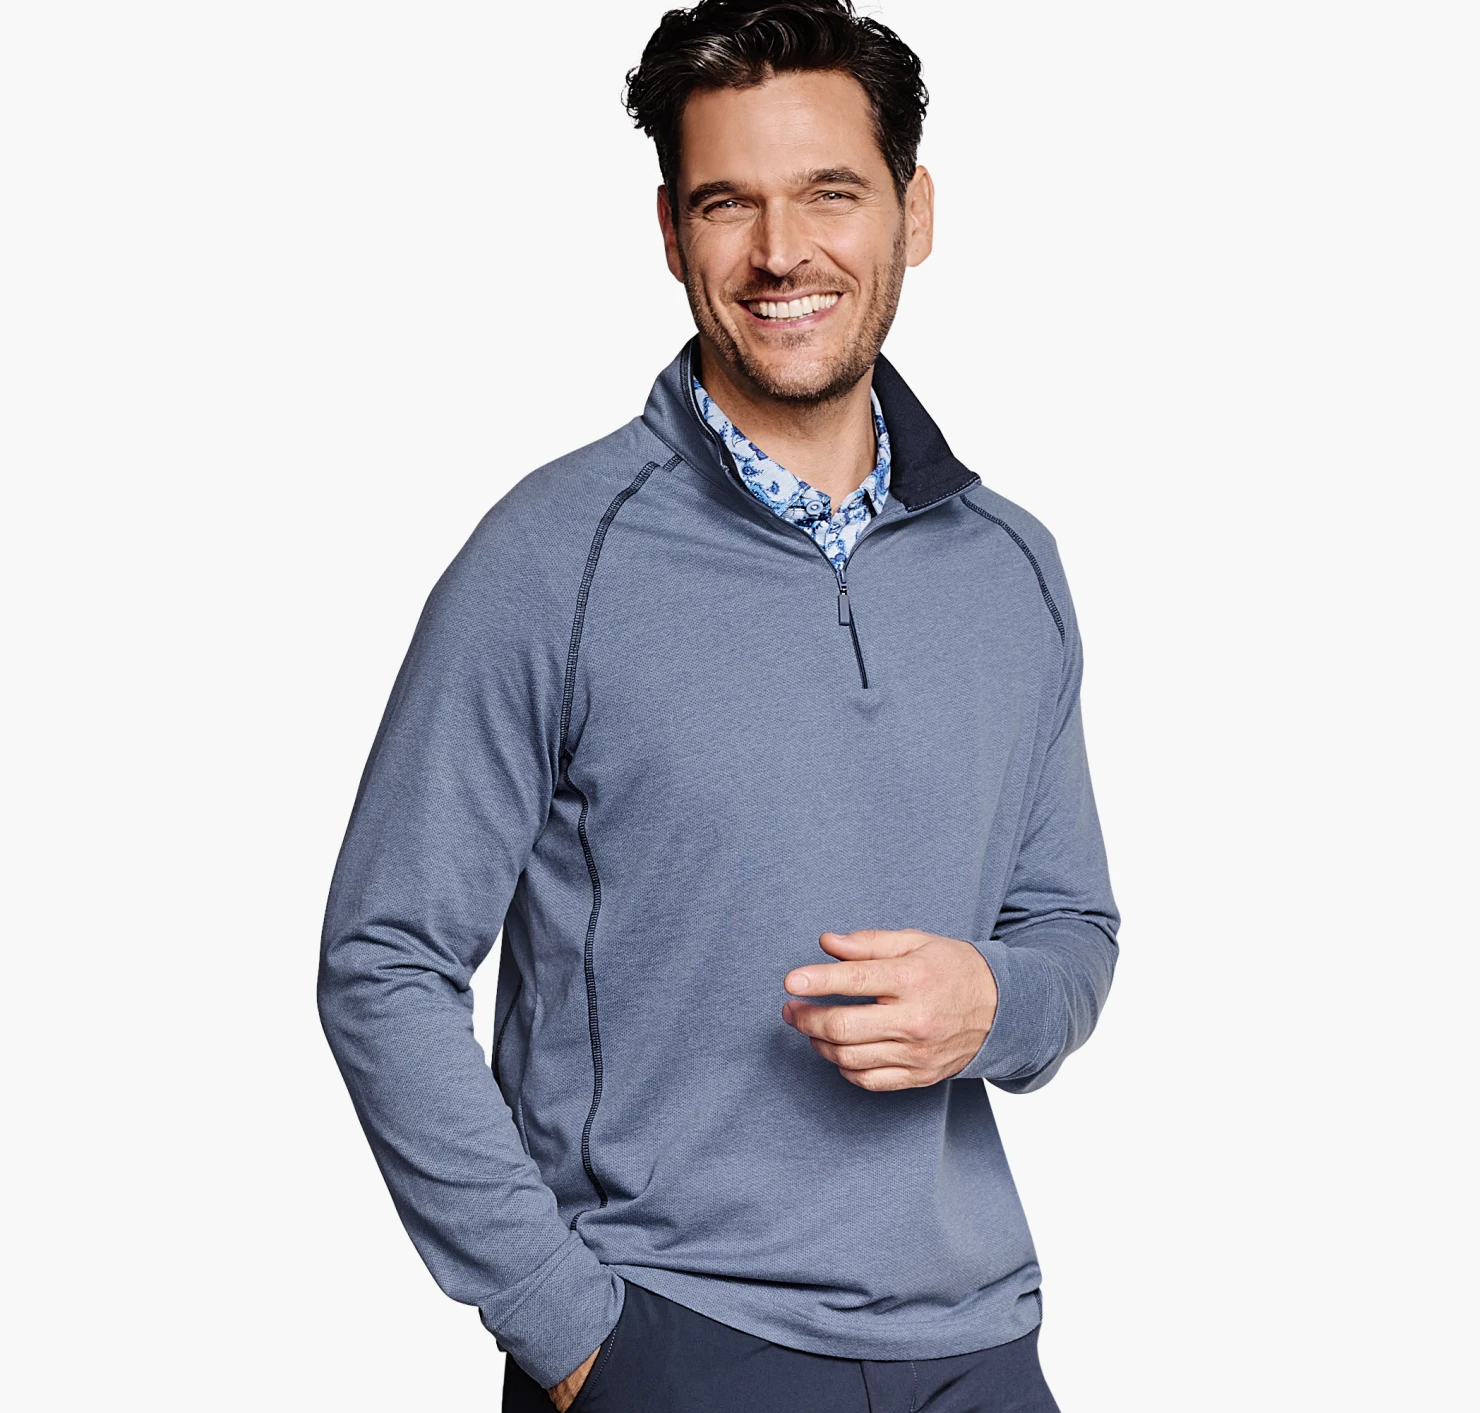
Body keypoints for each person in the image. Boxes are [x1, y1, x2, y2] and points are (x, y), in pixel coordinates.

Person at [317, 2, 1120, 1408]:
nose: (780, 251)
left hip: (978, 1340)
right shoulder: (552, 559)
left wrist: (993, 1004)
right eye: (727, 202)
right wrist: (568, 1330)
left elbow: (1071, 929)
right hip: (672, 1332)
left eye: (831, 193)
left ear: (916, 213)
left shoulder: (1012, 570)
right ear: (671, 233)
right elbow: (384, 960)